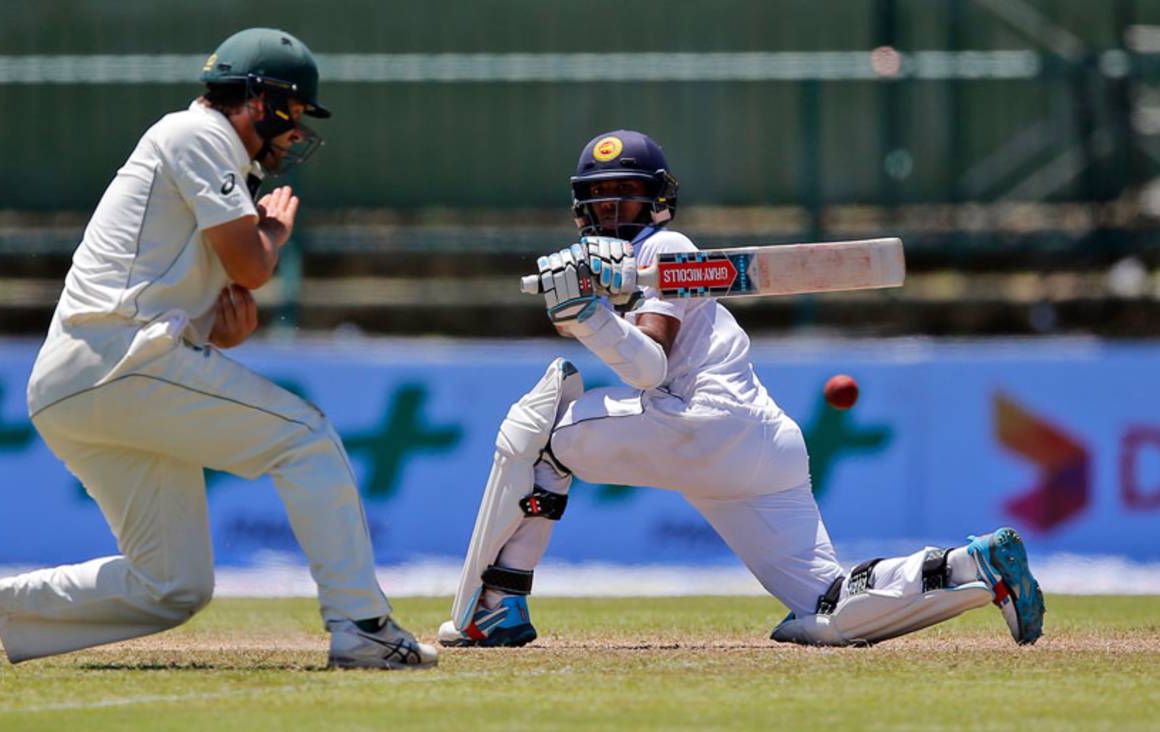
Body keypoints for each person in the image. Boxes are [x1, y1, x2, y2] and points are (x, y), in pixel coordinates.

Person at [0, 28, 437, 670]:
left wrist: (220, 331)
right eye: (294, 114)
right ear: (261, 101)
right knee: (307, 439)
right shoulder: (199, 135)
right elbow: (251, 267)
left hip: (83, 379)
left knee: (174, 585)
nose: (295, 133)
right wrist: (273, 234)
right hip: (119, 364)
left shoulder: (206, 152)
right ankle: (363, 625)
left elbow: (202, 301)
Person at [437, 129, 1045, 649]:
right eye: (597, 198)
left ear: (659, 203)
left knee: (540, 431)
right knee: (828, 607)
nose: (610, 209)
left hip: (695, 421)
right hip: (762, 446)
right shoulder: (629, 271)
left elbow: (647, 369)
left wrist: (583, 316)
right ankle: (973, 563)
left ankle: (497, 605)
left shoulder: (669, 249)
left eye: (626, 195)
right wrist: (589, 304)